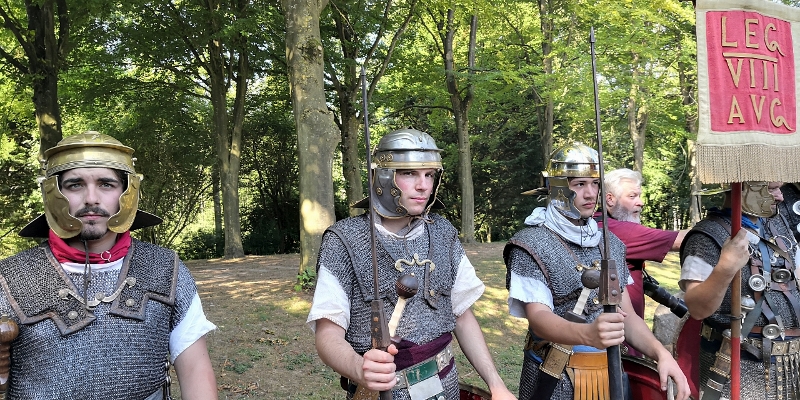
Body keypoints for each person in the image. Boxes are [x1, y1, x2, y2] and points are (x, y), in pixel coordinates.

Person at [0, 132, 218, 400]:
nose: (91, 198)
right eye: (75, 185)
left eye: (106, 184)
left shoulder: (164, 269)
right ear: (53, 193)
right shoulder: (10, 278)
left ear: (127, 192)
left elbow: (196, 371)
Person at [306, 128, 515, 400]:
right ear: (383, 177)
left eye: (429, 175)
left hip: (445, 384)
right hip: (382, 393)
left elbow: (462, 316)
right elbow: (327, 334)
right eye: (409, 173)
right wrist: (360, 368)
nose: (423, 185)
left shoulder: (443, 233)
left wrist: (496, 384)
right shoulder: (345, 240)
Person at [504, 142, 689, 400]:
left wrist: (661, 353)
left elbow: (628, 317)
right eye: (579, 184)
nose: (590, 193)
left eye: (595, 184)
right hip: (554, 377)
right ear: (555, 187)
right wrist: (588, 334)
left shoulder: (610, 243)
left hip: (607, 374)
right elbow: (539, 318)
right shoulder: (530, 244)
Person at [680, 181, 800, 400]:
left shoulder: (776, 225)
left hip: (792, 367)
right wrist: (726, 267)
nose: (781, 196)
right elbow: (697, 308)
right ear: (742, 188)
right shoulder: (707, 235)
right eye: (771, 189)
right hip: (740, 368)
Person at [598, 168, 688, 357]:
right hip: (619, 346)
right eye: (632, 196)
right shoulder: (614, 229)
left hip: (625, 338)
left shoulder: (599, 224)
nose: (640, 202)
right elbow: (685, 239)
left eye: (639, 196)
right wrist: (720, 227)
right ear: (610, 199)